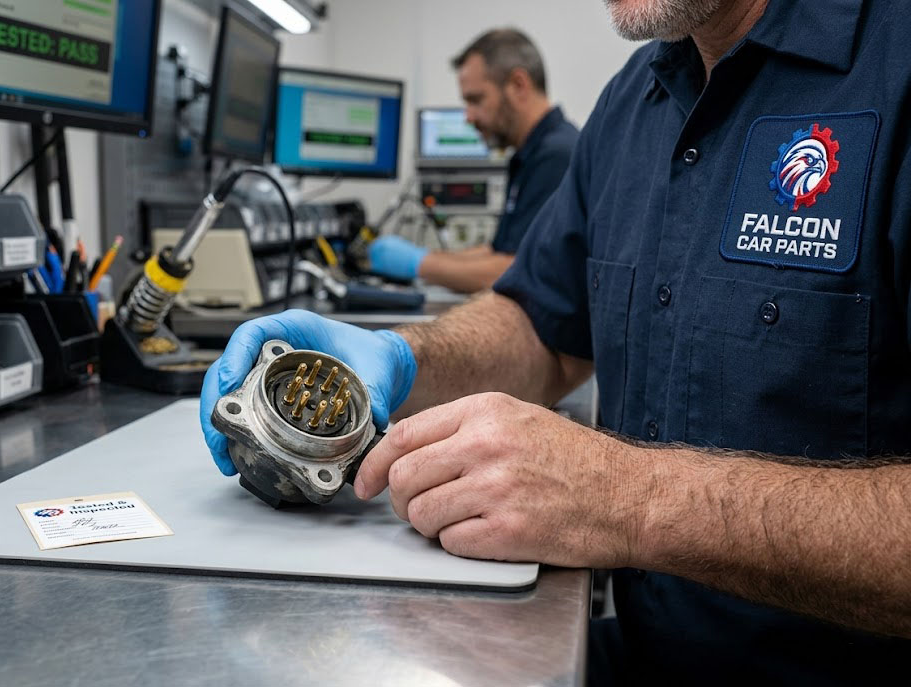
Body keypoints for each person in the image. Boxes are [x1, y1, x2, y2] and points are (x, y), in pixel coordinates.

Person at [201, 0, 911, 682]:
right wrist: (400, 353)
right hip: (640, 651)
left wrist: (627, 498)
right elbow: (543, 325)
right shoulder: (633, 104)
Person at [369, 29, 579, 294]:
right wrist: (428, 257)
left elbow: (512, 269)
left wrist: (418, 264)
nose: (467, 117)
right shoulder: (531, 153)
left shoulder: (557, 156)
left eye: (476, 100)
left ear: (518, 85)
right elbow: (500, 251)